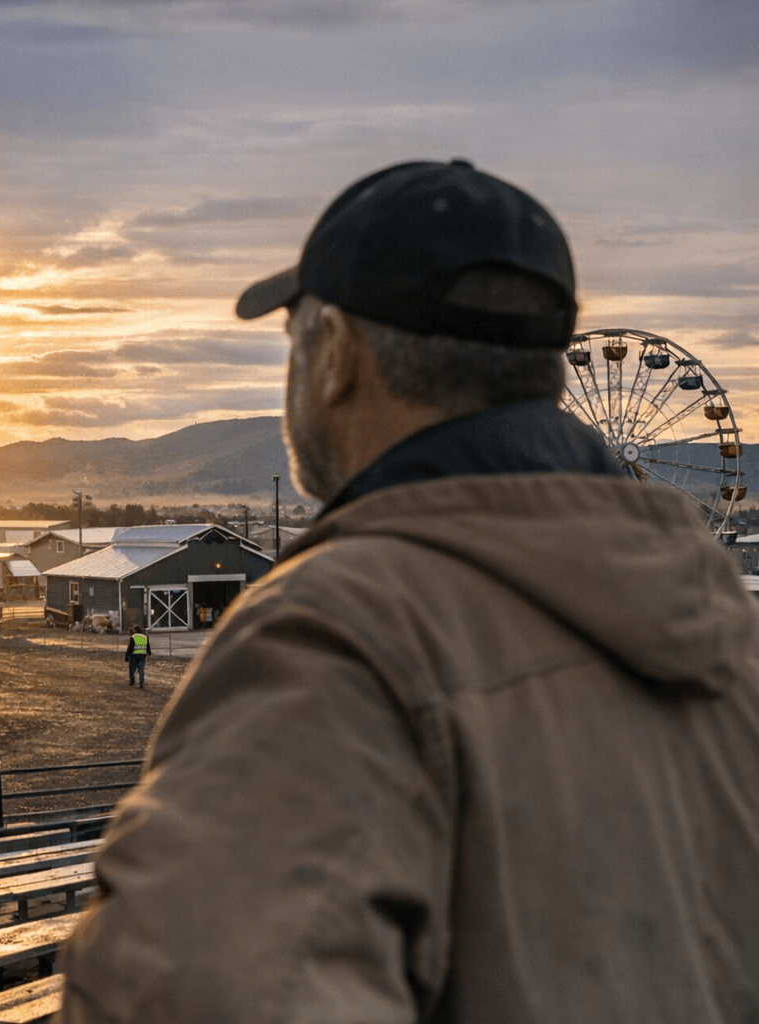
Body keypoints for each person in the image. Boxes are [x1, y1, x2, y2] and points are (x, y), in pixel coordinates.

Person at [59, 160, 759, 1022]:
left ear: (337, 356)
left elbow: (186, 990)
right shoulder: (724, 638)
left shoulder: (336, 633)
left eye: (293, 341)